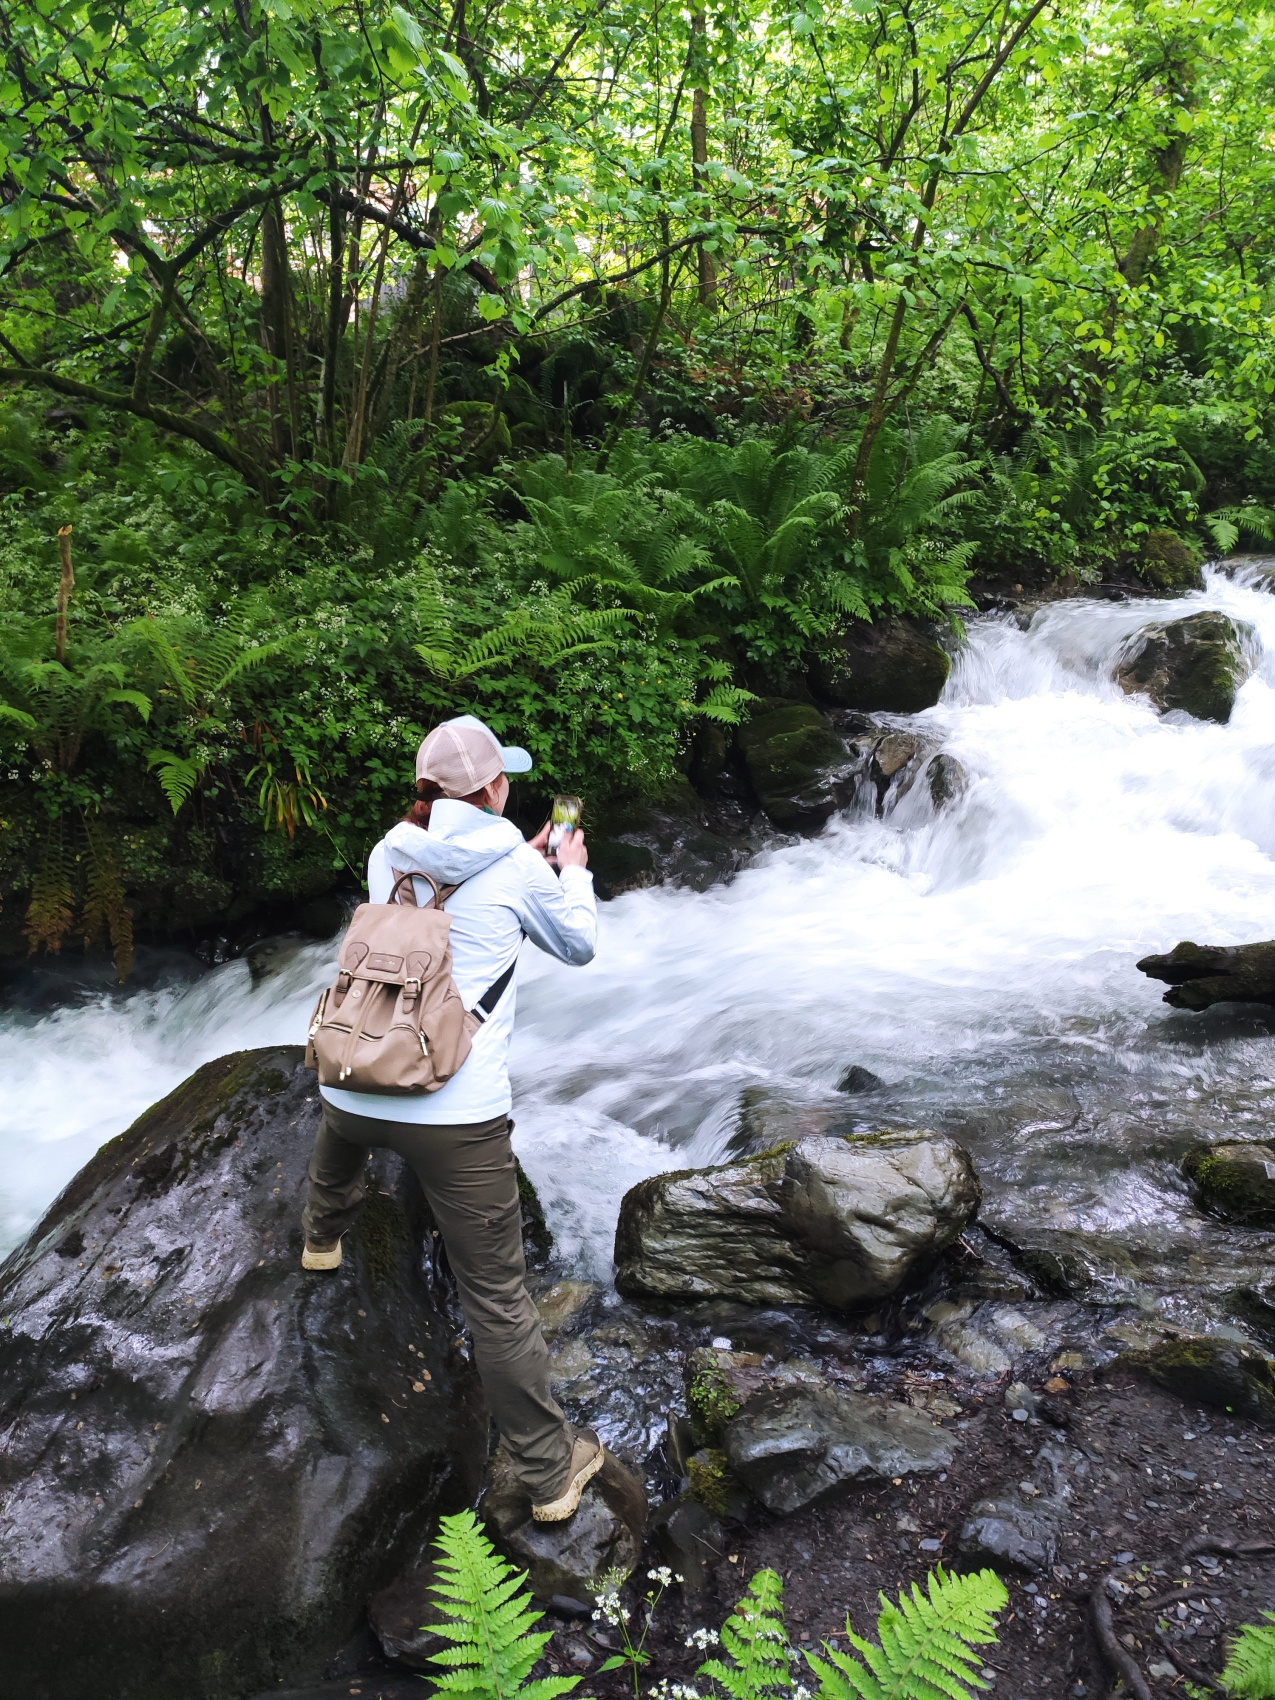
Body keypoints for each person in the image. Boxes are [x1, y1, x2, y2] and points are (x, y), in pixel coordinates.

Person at [299, 714, 603, 1522]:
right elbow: (575, 947)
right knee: (498, 1299)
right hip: (453, 1115)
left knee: (340, 1134)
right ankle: (549, 1476)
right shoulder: (517, 865)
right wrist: (566, 871)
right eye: (505, 776)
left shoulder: (388, 850)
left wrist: (520, 864)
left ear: (430, 786)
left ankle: (320, 1240)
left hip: (355, 1075)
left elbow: (436, 914)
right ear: (494, 787)